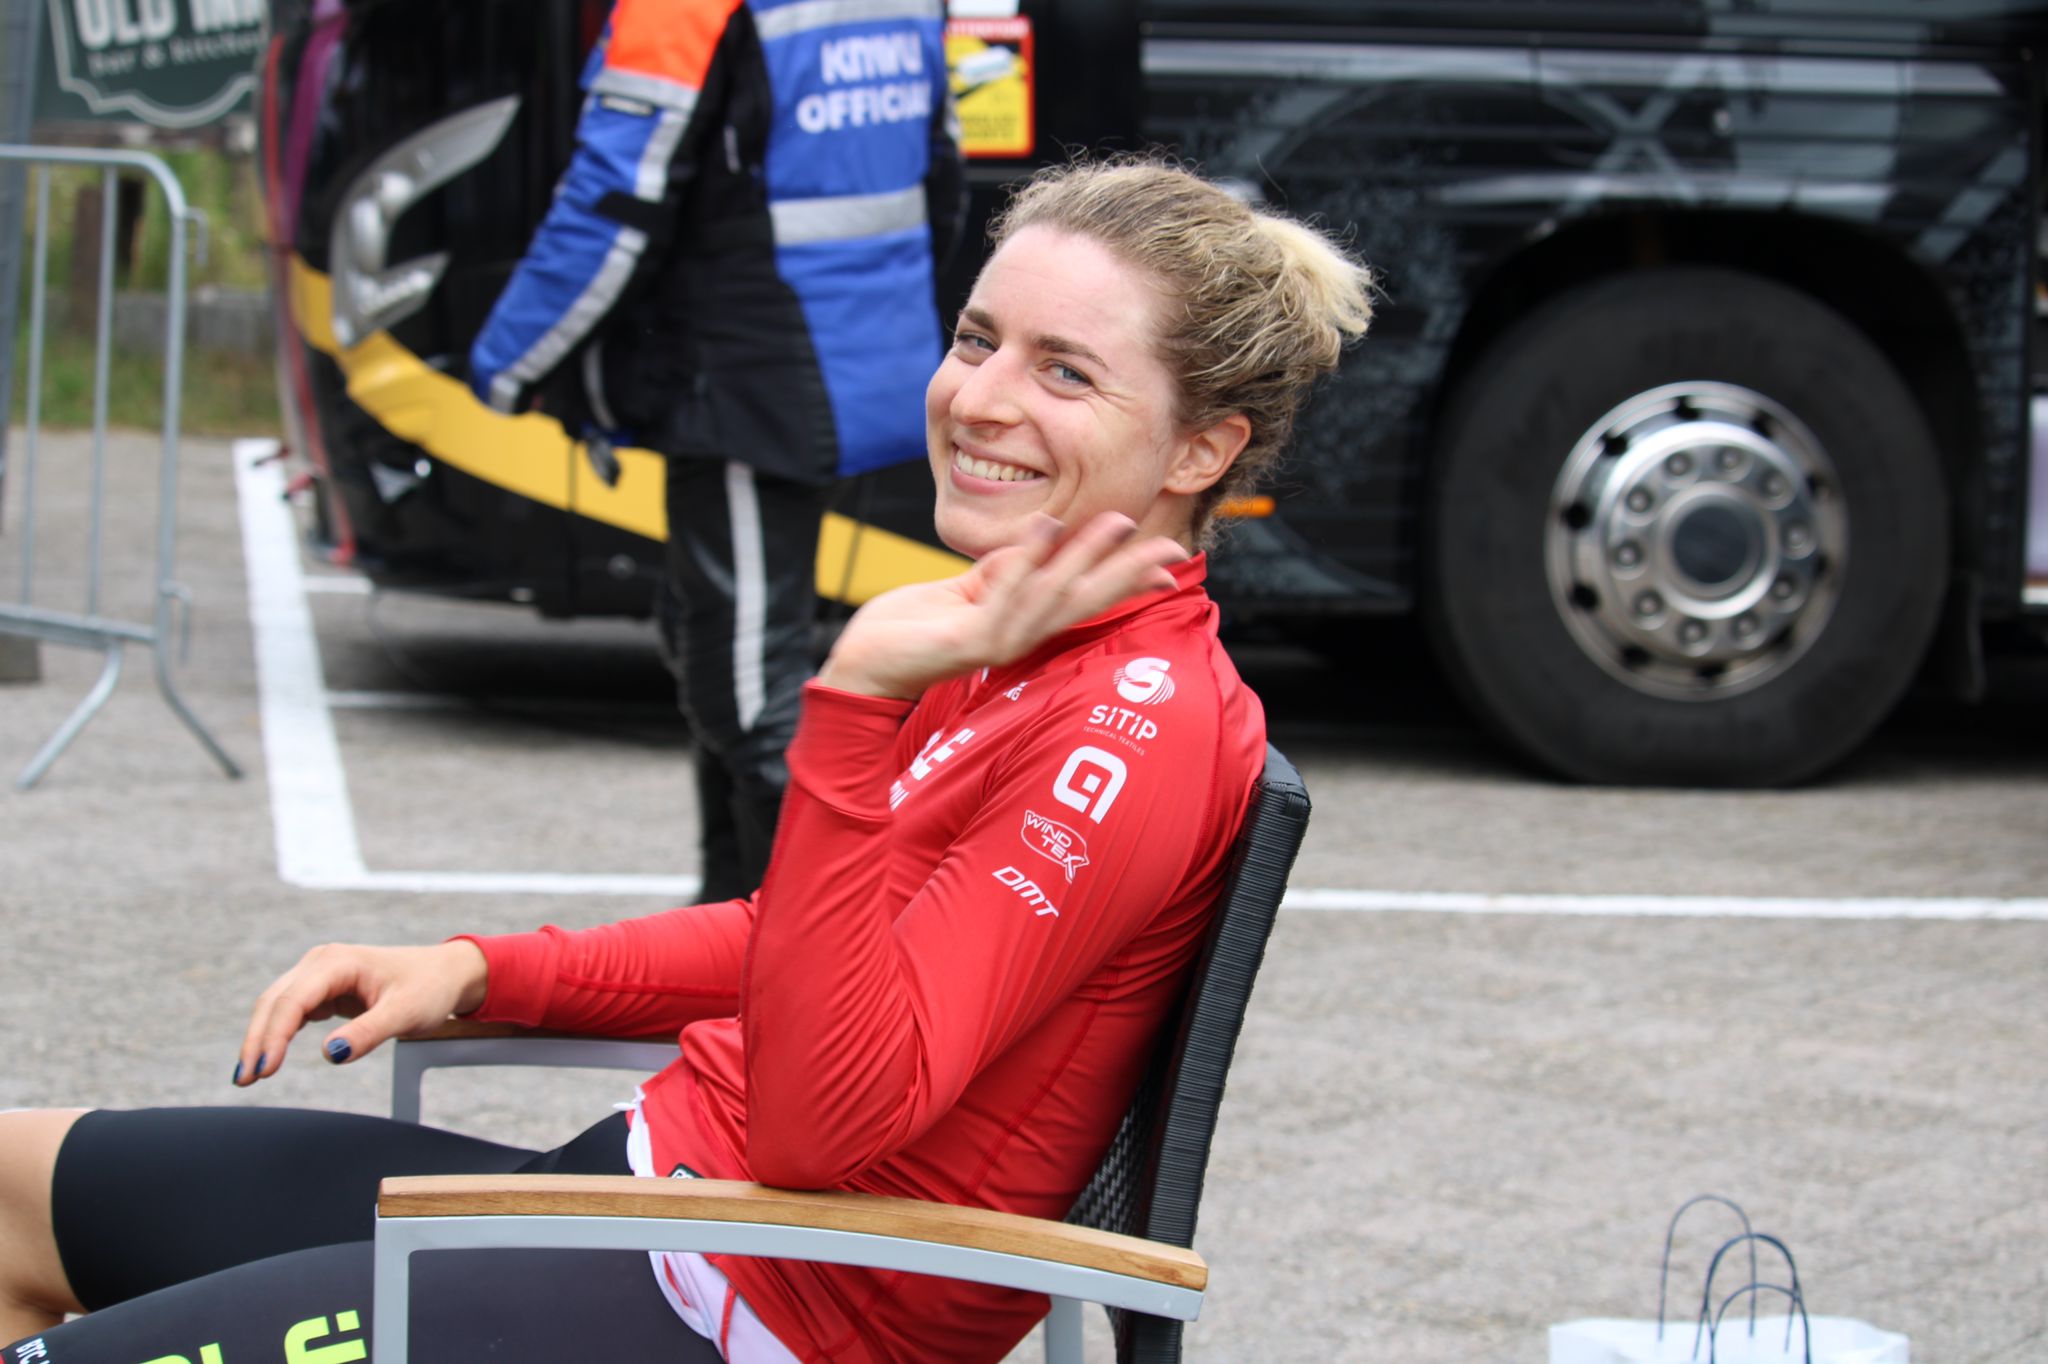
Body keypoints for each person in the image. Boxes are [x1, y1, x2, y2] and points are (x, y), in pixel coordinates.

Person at [0, 158, 1372, 1363]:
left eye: (1063, 370)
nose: (979, 397)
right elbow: (797, 943)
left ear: (1201, 448)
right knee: (8, 1188)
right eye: (976, 339)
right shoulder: (1030, 631)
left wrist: (851, 703)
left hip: (744, 1302)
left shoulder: (1133, 722)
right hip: (652, 1206)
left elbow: (823, 1127)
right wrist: (483, 970)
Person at [467, 0, 965, 901]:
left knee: (745, 691)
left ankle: (814, 939)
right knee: (727, 647)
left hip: (749, 383)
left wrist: (509, 359)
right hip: (851, 357)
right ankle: (730, 924)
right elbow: (941, 175)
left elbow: (611, 205)